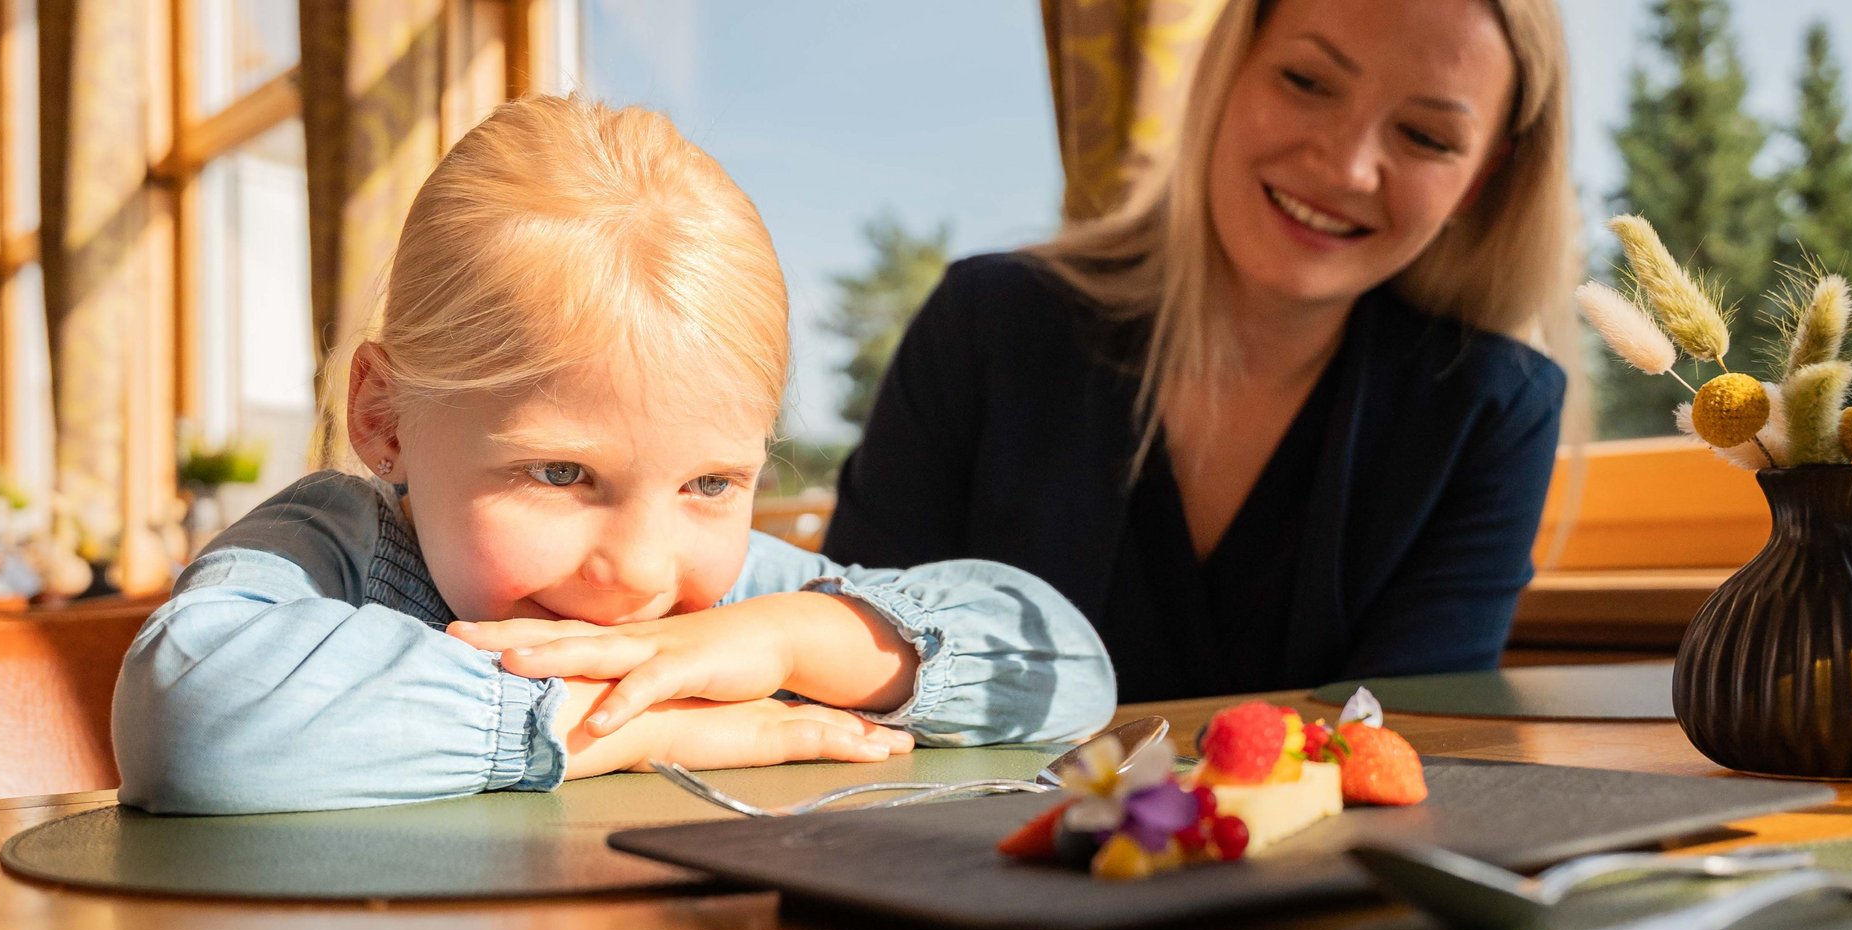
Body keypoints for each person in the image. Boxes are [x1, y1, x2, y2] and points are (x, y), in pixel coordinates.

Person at [112, 96, 1115, 816]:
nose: (639, 573)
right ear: (385, 418)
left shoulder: (726, 607)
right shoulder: (327, 547)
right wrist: (628, 725)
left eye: (712, 484)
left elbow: (1066, 666)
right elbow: (191, 722)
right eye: (561, 474)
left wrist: (797, 641)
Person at [823, 0, 1579, 703]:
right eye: (1307, 81)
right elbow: (839, 665)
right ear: (1227, 69)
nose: (1347, 167)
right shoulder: (983, 325)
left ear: (1481, 182)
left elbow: (1416, 755)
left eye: (1424, 136)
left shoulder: (1494, 411)